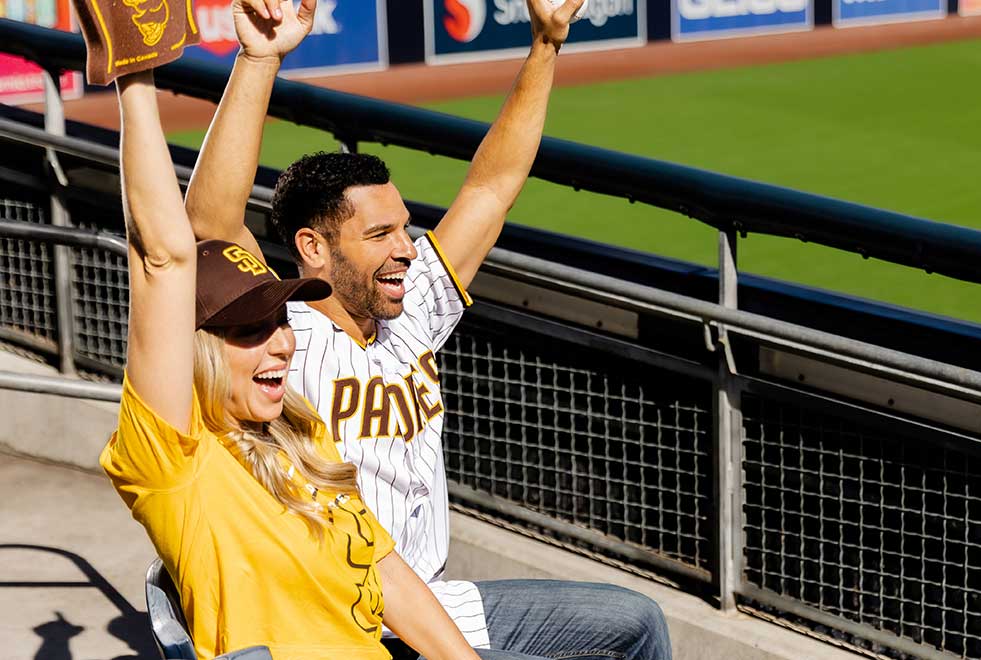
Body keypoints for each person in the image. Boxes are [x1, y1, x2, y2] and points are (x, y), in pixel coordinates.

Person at [184, 1, 672, 659]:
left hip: (435, 606)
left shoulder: (412, 308)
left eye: (405, 227)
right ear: (314, 247)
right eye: (380, 234)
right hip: (348, 628)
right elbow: (209, 225)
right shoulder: (275, 341)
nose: (409, 248)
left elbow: (492, 186)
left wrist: (546, 44)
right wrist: (258, 59)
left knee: (636, 622)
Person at [98, 27, 504, 660]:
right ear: (195, 347)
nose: (282, 343)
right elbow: (164, 256)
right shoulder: (175, 462)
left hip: (404, 625)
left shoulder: (303, 437)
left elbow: (385, 571)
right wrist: (136, 81)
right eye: (249, 330)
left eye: (281, 321)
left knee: (630, 622)